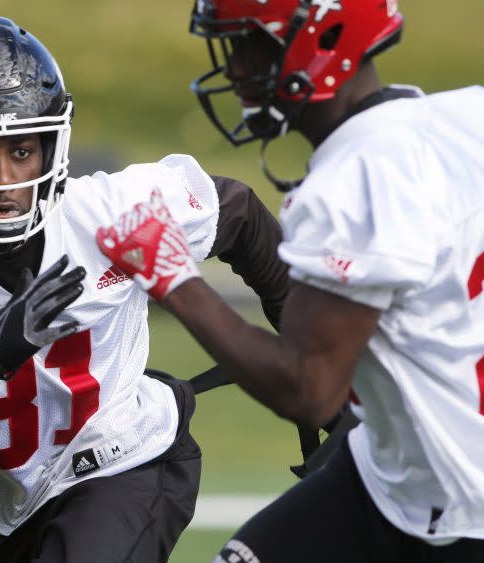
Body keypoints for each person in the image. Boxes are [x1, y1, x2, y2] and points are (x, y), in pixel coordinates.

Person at [0, 15, 291, 562]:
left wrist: (320, 376)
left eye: (21, 151)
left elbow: (237, 214)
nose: (4, 182)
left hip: (125, 460)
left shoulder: (108, 210)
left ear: (51, 146)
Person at [96, 0, 484, 561]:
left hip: (453, 507)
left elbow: (308, 388)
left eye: (248, 46)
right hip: (387, 473)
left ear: (323, 41)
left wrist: (172, 276)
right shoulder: (466, 115)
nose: (233, 71)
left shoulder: (350, 182)